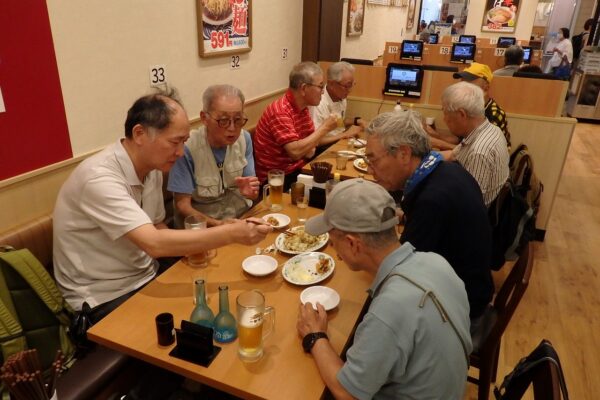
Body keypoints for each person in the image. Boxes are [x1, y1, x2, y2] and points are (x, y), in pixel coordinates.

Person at [53, 89, 271, 321]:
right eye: (175, 142)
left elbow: (157, 224)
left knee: (227, 299)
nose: (181, 152)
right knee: (202, 322)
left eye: (184, 142)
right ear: (139, 134)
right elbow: (154, 243)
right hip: (103, 296)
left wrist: (197, 243)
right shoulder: (98, 178)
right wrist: (231, 233)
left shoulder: (153, 167)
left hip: (146, 272)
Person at [297, 178, 472, 399]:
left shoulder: (389, 310)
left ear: (352, 244)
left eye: (333, 241)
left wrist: (315, 336)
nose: (334, 249)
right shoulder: (437, 262)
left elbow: (347, 393)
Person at [364, 110, 494, 323]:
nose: (370, 170)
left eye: (373, 160)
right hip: (471, 285)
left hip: (458, 308)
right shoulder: (445, 169)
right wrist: (405, 216)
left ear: (404, 154)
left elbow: (400, 272)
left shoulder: (433, 201)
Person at [167, 85, 258, 228]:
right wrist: (219, 225)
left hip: (241, 218)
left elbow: (252, 193)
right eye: (223, 120)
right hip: (205, 228)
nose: (232, 128)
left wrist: (251, 193)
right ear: (204, 118)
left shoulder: (244, 139)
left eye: (238, 119)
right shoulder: (187, 148)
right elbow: (182, 206)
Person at [253, 62, 337, 190]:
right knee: (327, 189)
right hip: (275, 179)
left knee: (334, 183)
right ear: (303, 88)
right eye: (320, 86)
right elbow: (296, 152)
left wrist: (306, 146)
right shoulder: (280, 111)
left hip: (297, 169)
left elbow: (310, 150)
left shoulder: (302, 108)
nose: (323, 91)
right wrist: (325, 128)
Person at [439, 82, 510, 207]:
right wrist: (422, 158)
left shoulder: (478, 152)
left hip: (473, 212)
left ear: (462, 114)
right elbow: (453, 154)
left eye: (445, 113)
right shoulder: (489, 129)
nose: (444, 119)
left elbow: (469, 205)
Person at [426, 62, 511, 149]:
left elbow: (474, 151)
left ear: (486, 88)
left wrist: (439, 144)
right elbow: (460, 141)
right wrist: (435, 135)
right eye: (461, 83)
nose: (461, 88)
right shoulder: (468, 107)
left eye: (468, 85)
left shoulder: (494, 114)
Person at [309, 61, 363, 151]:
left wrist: (357, 121)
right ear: (331, 84)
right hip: (322, 149)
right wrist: (345, 134)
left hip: (338, 141)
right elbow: (316, 141)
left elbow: (339, 123)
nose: (350, 90)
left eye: (352, 85)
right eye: (347, 86)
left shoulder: (341, 97)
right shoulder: (318, 103)